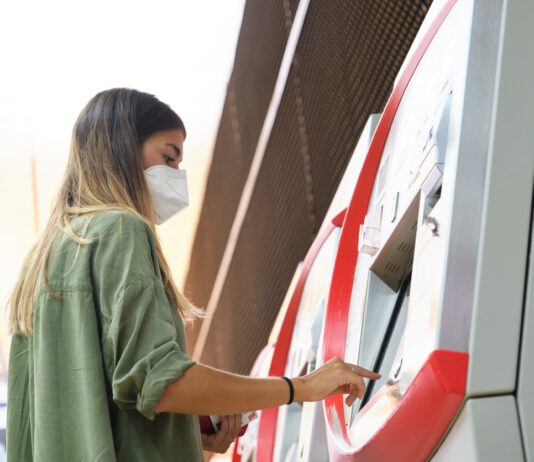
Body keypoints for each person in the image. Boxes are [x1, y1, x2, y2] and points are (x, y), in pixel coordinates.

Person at [5, 88, 380, 461]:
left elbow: (85, 401)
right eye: (168, 158)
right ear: (122, 149)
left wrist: (186, 425)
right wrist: (302, 386)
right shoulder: (120, 230)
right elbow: (161, 382)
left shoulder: (40, 264)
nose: (176, 176)